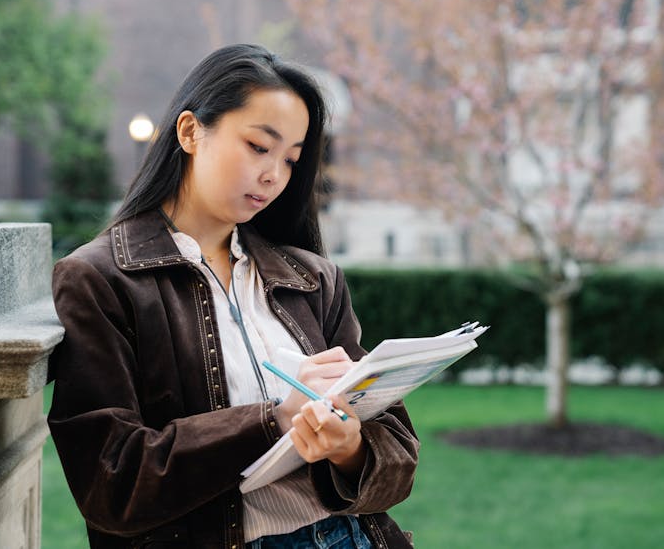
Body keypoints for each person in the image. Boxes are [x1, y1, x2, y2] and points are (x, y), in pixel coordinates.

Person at [47, 44, 419, 548]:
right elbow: (111, 482)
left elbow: (398, 455)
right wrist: (274, 421)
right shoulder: (100, 280)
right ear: (189, 132)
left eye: (291, 159)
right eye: (258, 147)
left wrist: (349, 447)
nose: (274, 175)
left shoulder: (312, 278)